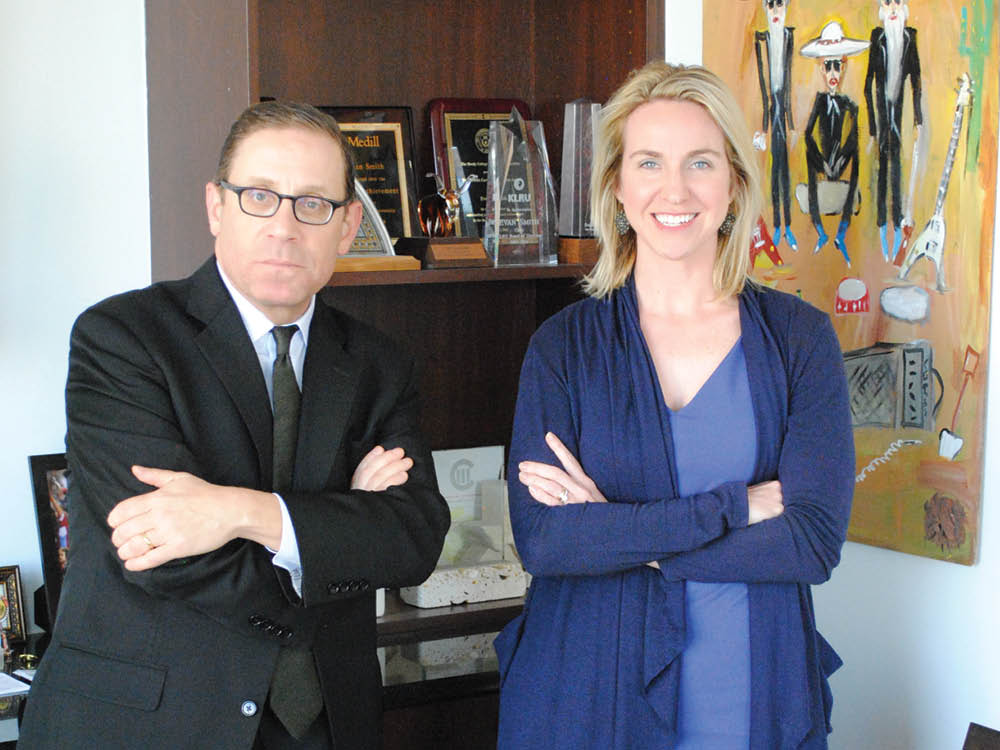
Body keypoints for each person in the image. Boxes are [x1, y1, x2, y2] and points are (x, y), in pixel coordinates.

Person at [19, 100, 450, 749]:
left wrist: (238, 512)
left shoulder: (378, 365)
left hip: (324, 725)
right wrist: (338, 530)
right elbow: (159, 556)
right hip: (150, 724)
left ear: (348, 224)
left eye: (313, 204)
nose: (284, 227)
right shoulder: (125, 340)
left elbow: (413, 541)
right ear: (217, 207)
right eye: (259, 197)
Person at [495, 62, 854, 749]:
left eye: (700, 162)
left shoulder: (799, 339)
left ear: (733, 183)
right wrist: (731, 509)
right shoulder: (563, 347)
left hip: (749, 692)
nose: (675, 189)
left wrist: (626, 537)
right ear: (618, 187)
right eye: (649, 162)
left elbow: (809, 543)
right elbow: (545, 540)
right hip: (586, 693)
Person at [800, 21, 870, 265]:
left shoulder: (850, 106)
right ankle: (821, 231)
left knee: (857, 153)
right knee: (809, 152)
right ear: (821, 69)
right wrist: (821, 163)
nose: (832, 74)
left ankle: (842, 232)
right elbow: (808, 134)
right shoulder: (819, 102)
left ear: (843, 69)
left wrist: (839, 162)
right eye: (828, 67)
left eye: (837, 67)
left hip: (840, 164)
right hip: (821, 165)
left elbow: (852, 140)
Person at [864, 0, 923, 261]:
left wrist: (918, 121)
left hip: (898, 120)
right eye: (888, 3)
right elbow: (868, 85)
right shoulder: (877, 38)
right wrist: (873, 131)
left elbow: (916, 82)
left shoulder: (911, 39)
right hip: (881, 119)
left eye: (897, 2)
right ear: (881, 9)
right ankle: (881, 231)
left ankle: (897, 229)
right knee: (881, 176)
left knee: (896, 173)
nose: (893, 9)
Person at [754, 0, 798, 251]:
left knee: (785, 174)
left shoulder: (789, 36)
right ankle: (777, 227)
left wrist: (790, 125)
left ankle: (788, 227)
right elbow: (762, 84)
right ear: (765, 9)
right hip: (770, 113)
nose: (776, 11)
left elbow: (789, 82)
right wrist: (763, 127)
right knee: (774, 174)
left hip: (783, 112)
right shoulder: (761, 40)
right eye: (771, 6)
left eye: (780, 5)